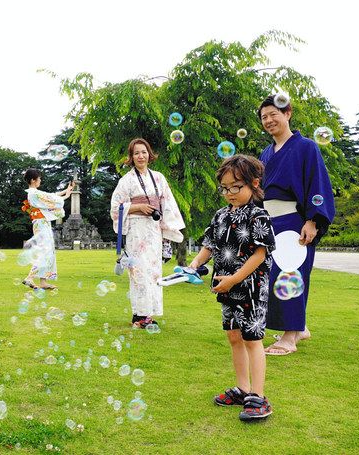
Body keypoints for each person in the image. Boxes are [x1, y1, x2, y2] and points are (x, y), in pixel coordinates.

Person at [189, 154, 276, 421]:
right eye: (225, 188)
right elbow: (209, 246)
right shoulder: (220, 215)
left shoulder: (258, 215)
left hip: (251, 288)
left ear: (254, 183)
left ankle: (259, 398)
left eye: (236, 187)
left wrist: (234, 278)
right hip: (226, 287)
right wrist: (193, 264)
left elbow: (260, 254)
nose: (229, 193)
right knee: (234, 337)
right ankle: (242, 389)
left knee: (252, 339)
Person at [258, 95, 335, 355]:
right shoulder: (266, 153)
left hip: (295, 221)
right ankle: (299, 328)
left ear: (288, 113)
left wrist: (313, 220)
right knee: (273, 276)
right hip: (271, 222)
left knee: (289, 273)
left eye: (273, 114)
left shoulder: (306, 147)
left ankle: (290, 337)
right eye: (264, 117)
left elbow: (318, 184)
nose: (268, 120)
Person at [110, 138, 185, 329]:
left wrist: (168, 228)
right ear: (131, 157)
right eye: (136, 153)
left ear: (149, 154)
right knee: (138, 271)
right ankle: (139, 315)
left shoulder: (159, 177)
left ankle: (148, 314)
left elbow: (167, 203)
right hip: (136, 230)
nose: (140, 156)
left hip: (154, 229)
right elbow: (115, 207)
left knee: (153, 272)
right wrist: (137, 207)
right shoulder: (126, 181)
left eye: (143, 152)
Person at [21, 169, 74, 290]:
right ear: (33, 180)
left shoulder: (33, 193)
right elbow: (51, 198)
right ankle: (30, 277)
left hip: (41, 223)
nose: (40, 180)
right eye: (39, 178)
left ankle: (43, 281)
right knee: (45, 251)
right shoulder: (34, 193)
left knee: (48, 251)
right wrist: (65, 196)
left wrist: (66, 191)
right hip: (41, 224)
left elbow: (50, 196)